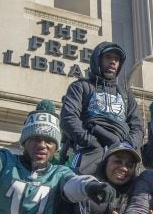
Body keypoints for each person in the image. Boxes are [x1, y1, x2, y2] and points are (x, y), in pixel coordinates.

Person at [60, 42, 143, 174]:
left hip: (120, 153)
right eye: (108, 57)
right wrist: (91, 142)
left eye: (116, 59)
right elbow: (68, 118)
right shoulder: (80, 87)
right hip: (88, 153)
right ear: (97, 59)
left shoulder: (126, 94)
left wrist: (126, 146)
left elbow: (137, 127)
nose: (113, 62)